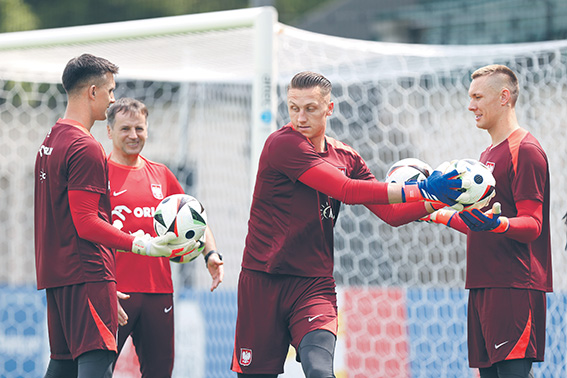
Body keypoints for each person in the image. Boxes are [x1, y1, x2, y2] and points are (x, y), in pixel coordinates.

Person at [230, 71, 467, 378]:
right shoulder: (282, 146)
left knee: (320, 371)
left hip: (313, 285)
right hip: (263, 282)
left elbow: (391, 214)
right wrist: (423, 189)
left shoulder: (347, 157)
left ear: (329, 108)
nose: (300, 117)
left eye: (310, 108)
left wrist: (447, 199)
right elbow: (346, 190)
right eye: (293, 108)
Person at [34, 54, 195, 378]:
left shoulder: (49, 141)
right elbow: (86, 221)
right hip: (87, 273)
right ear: (92, 92)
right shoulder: (86, 147)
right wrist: (141, 244)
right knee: (96, 364)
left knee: (63, 367)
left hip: (57, 276)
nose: (111, 99)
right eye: (109, 91)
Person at [426, 64, 551, 378]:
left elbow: (532, 224)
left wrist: (498, 224)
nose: (471, 106)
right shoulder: (485, 156)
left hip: (514, 287)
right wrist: (437, 214)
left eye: (478, 97)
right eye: (471, 97)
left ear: (504, 97)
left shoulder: (526, 150)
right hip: (482, 286)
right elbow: (477, 223)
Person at [106, 97, 224, 377]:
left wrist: (211, 254)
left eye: (139, 128)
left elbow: (196, 218)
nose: (134, 135)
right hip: (114, 293)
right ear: (109, 131)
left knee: (160, 373)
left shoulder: (160, 174)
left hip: (159, 293)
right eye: (125, 129)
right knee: (97, 371)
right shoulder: (99, 174)